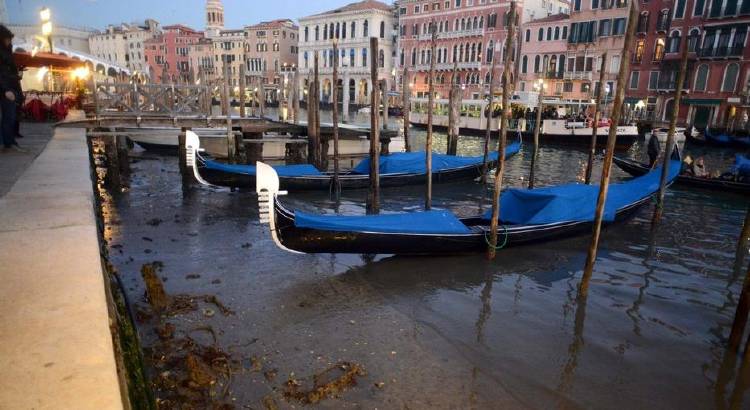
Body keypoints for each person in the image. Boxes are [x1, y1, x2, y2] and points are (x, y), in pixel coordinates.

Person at [0, 25, 24, 152]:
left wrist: (17, 75)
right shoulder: (3, 52)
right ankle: (8, 144)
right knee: (8, 116)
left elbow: (7, 72)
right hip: (5, 89)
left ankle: (7, 142)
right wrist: (5, 90)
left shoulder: (7, 51)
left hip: (8, 87)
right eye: (8, 39)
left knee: (9, 116)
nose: (10, 41)